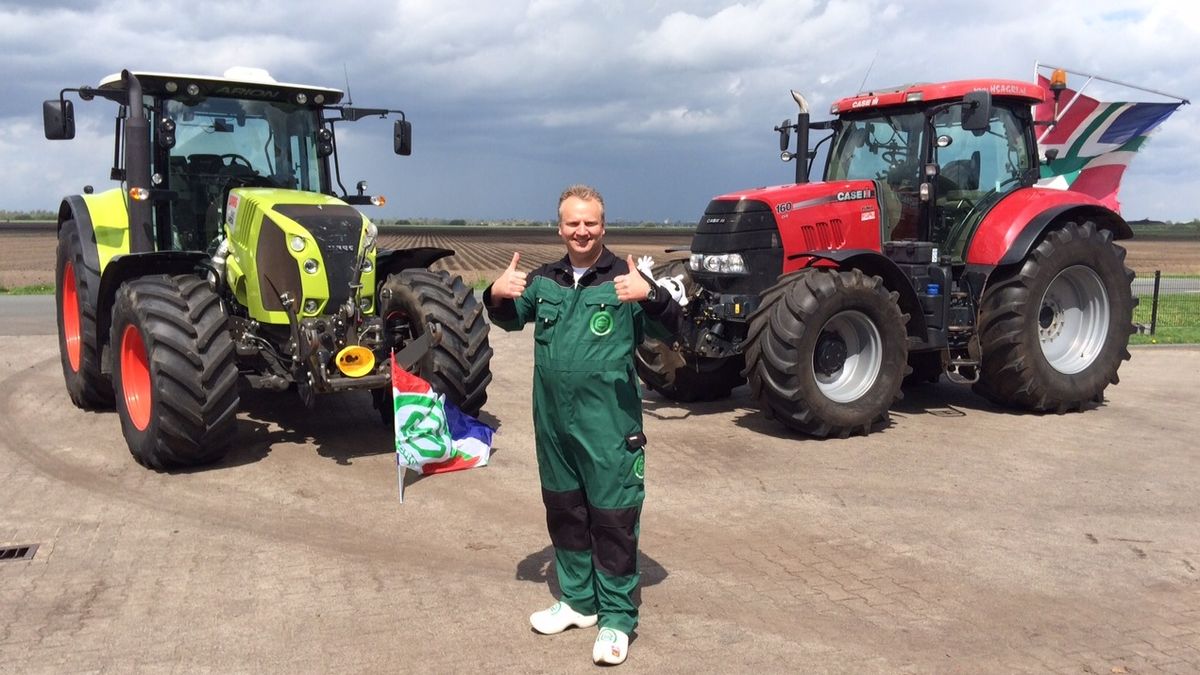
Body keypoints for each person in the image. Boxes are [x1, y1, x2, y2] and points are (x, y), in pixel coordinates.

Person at [484, 184, 681, 666]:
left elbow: (674, 327)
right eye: (573, 222)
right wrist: (495, 293)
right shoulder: (545, 280)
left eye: (590, 222)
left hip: (608, 426)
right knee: (565, 510)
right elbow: (509, 318)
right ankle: (578, 602)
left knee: (613, 518)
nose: (581, 230)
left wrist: (651, 296)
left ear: (603, 226)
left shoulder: (627, 279)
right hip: (553, 424)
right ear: (560, 228)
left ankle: (617, 618)